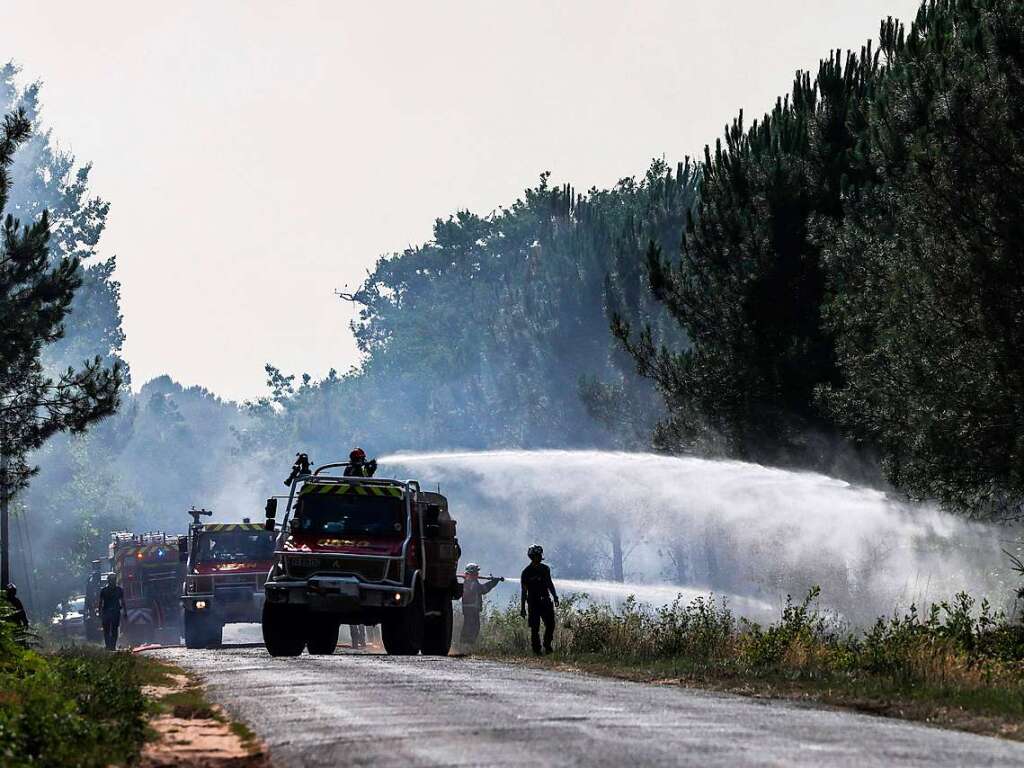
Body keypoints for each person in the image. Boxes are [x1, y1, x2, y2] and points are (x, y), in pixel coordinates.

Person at [520, 545, 558, 655]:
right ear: (532, 556)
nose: (539, 557)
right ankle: (537, 650)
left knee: (550, 625)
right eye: (537, 555)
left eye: (540, 555)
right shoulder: (526, 572)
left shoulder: (545, 569)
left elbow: (549, 583)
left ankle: (547, 645)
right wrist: (523, 608)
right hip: (533, 603)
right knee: (534, 627)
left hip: (546, 601)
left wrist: (555, 596)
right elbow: (523, 591)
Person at [459, 563, 502, 648]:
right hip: (471, 608)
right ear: (472, 572)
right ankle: (465, 646)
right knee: (473, 627)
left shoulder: (469, 581)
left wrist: (493, 582)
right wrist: (493, 583)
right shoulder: (472, 583)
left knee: (469, 626)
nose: (478, 574)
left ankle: (464, 646)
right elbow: (483, 589)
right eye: (476, 572)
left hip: (469, 608)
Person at [98, 573, 126, 651]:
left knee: (112, 630)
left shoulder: (104, 590)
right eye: (112, 580)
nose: (113, 581)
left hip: (110, 613)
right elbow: (100, 603)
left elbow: (122, 601)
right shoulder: (118, 590)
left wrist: (100, 613)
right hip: (111, 613)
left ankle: (111, 646)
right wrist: (125, 612)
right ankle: (110, 646)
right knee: (110, 630)